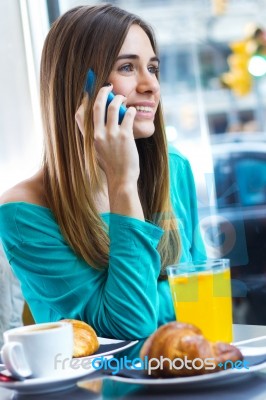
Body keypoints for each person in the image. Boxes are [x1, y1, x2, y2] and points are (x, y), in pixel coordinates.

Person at [0, 4, 206, 340]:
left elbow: (202, 297)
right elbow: (128, 327)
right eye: (128, 67)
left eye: (153, 68)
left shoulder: (175, 168)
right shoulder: (24, 212)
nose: (151, 85)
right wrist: (122, 183)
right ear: (79, 88)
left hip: (188, 375)